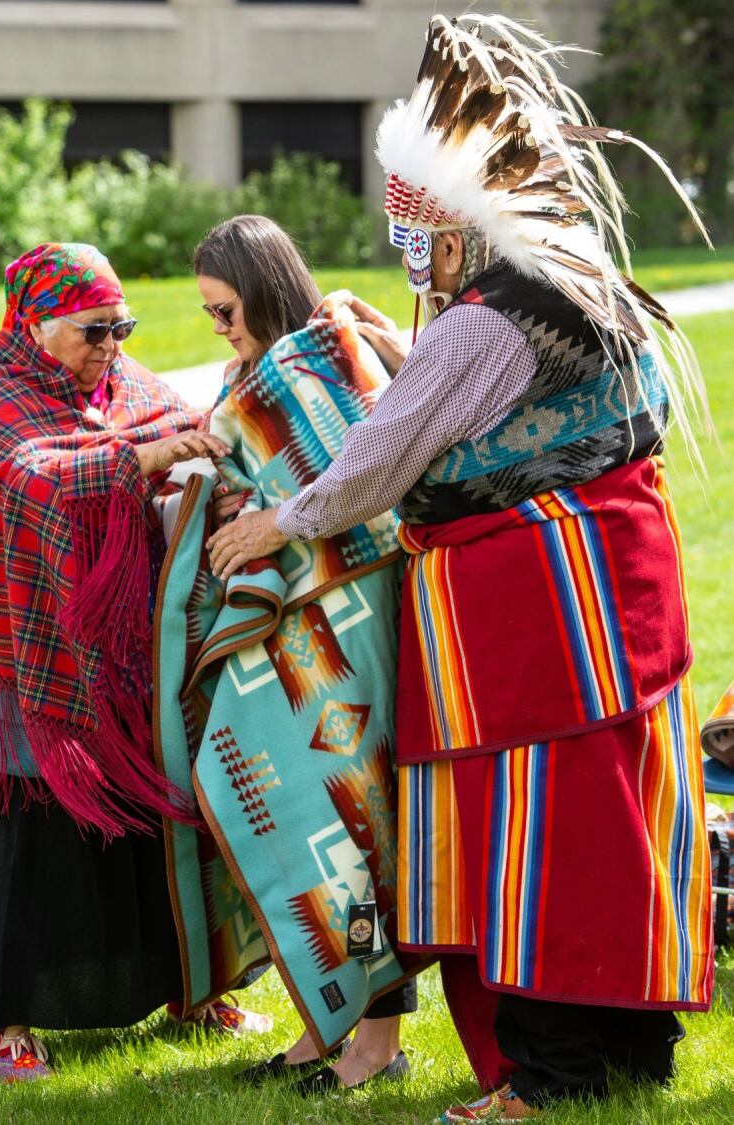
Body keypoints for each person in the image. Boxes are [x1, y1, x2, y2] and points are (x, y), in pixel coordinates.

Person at [208, 15, 714, 1122]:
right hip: (622, 598)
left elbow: (372, 471)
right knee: (615, 820)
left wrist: (275, 521)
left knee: (537, 838)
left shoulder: (478, 327)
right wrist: (405, 348)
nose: (417, 263)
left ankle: (545, 1078)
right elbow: (477, 402)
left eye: (419, 243)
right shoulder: (581, 285)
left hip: (529, 622)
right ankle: (631, 1053)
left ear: (450, 234)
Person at [0, 242, 233, 1081]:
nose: (112, 346)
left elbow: (186, 432)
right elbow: (34, 478)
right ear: (37, 325)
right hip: (24, 656)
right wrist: (146, 458)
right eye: (94, 330)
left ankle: (190, 988)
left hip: (124, 657)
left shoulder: (129, 385)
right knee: (27, 837)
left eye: (124, 327)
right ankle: (5, 1025)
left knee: (158, 814)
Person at [154, 215, 418, 1095]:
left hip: (348, 625)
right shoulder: (242, 378)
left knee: (359, 823)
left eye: (226, 310)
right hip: (278, 638)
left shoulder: (333, 357)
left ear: (263, 289)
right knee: (259, 796)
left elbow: (372, 484)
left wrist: (264, 519)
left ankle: (377, 1037)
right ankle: (323, 1018)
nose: (220, 329)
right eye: (210, 315)